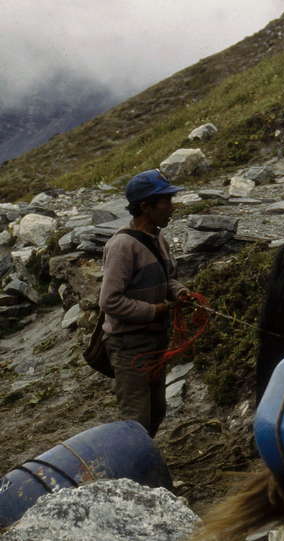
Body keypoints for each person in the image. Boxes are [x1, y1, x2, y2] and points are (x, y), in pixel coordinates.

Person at [99, 169, 190, 437]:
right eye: (166, 201)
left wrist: (180, 292)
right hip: (129, 345)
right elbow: (109, 300)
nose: (171, 207)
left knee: (157, 410)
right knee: (136, 418)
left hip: (155, 341)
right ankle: (131, 474)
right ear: (145, 206)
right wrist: (155, 310)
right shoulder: (122, 246)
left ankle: (142, 464)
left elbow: (167, 278)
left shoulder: (158, 238)